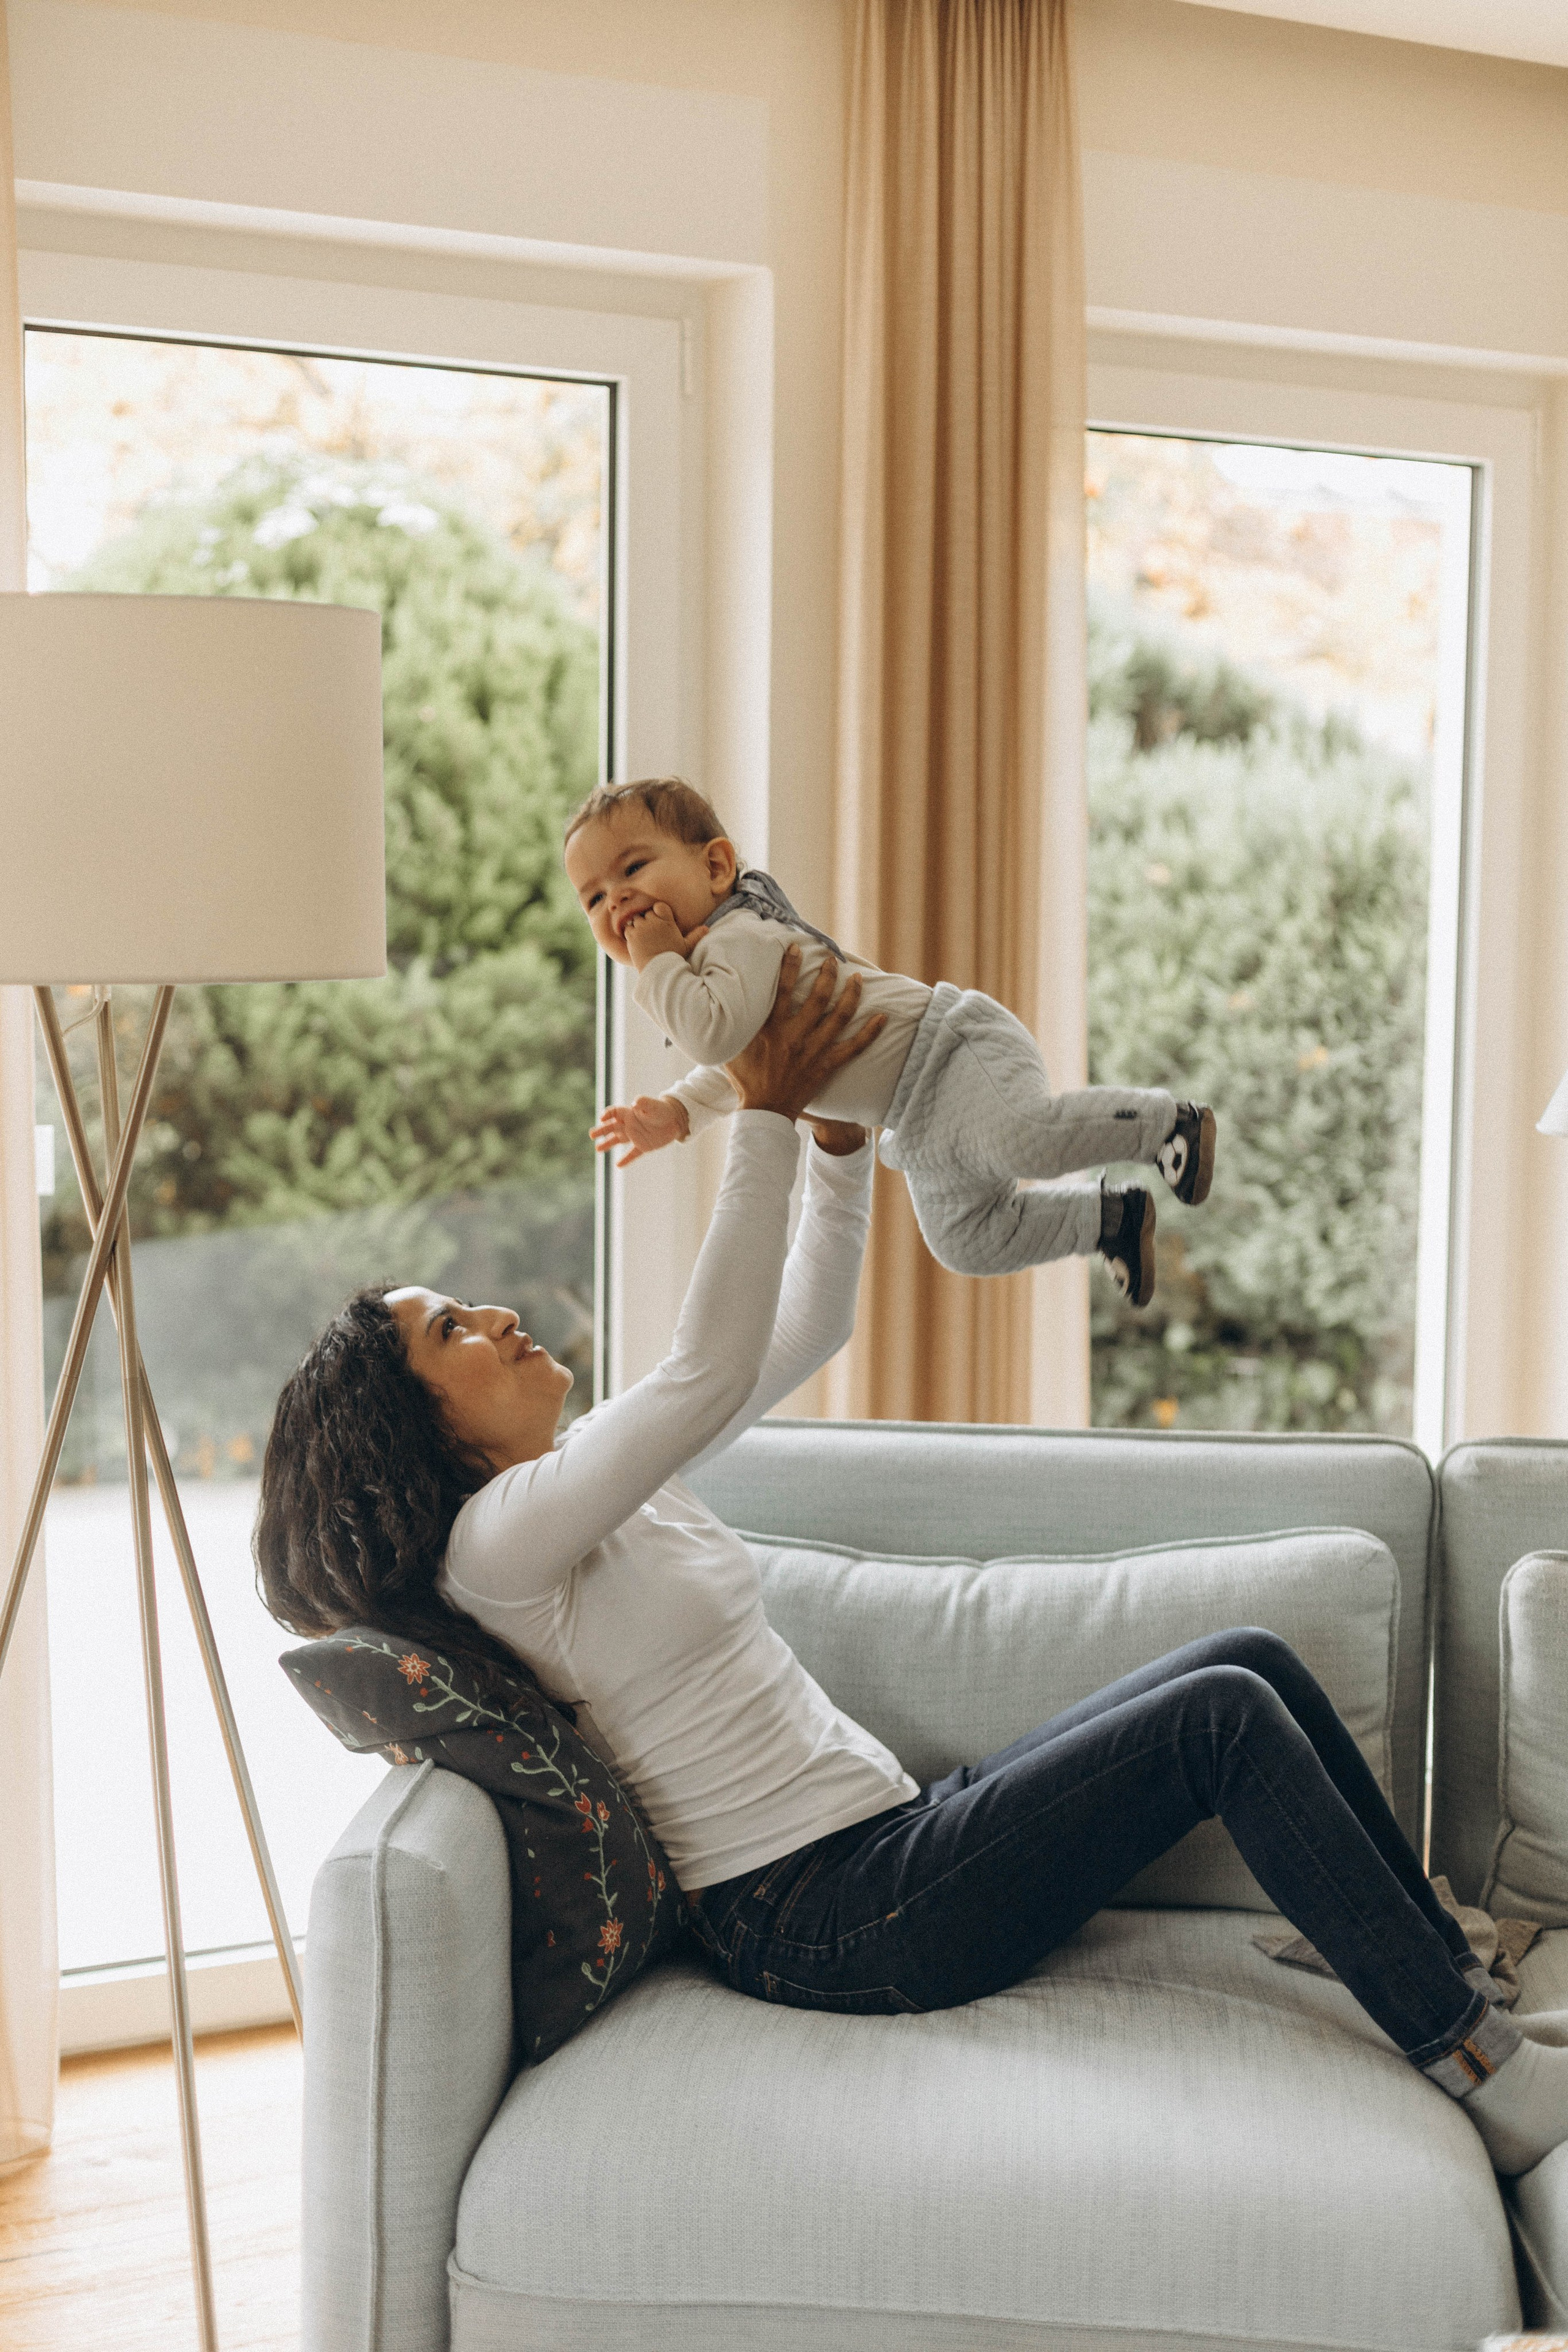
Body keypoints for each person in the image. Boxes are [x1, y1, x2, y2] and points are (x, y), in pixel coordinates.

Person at [256, 948, 1566, 2177]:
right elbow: (704, 1365)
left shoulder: (592, 1480)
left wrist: (831, 1145)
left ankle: (1442, 1962)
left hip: (892, 1842)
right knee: (1219, 1721)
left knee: (1249, 1660)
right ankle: (1476, 2069)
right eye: (450, 1335)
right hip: (826, 1921)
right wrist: (756, 1116)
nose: (493, 1314)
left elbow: (799, 1330)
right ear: (413, 1428)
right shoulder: (497, 1547)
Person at [564, 775, 1218, 1310]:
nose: (616, 901)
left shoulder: (739, 936)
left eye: (633, 868)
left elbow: (716, 1035)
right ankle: (1110, 1221)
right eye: (592, 899)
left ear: (715, 867)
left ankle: (1166, 1126)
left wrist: (656, 966)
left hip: (950, 1051)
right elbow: (741, 1065)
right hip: (914, 1116)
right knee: (967, 1241)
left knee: (1025, 1138)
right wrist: (678, 1114)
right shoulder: (708, 974)